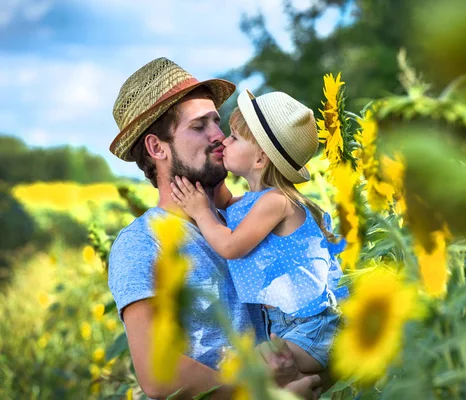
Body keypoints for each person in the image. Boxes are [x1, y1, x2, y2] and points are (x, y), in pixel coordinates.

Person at [107, 57, 321, 400]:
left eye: (217, 122)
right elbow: (158, 373)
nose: (219, 137)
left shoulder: (245, 220)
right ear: (156, 147)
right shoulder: (143, 244)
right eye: (199, 126)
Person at [170, 89, 348, 374]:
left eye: (234, 138)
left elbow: (230, 246)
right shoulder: (257, 203)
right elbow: (229, 205)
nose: (223, 141)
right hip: (287, 326)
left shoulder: (276, 202)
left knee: (251, 373)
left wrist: (201, 211)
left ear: (260, 160)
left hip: (311, 329)